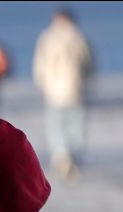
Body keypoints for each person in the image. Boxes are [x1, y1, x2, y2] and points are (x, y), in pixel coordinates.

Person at [33, 6, 94, 181]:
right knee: (77, 124)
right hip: (76, 89)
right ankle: (74, 159)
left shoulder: (47, 37)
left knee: (56, 124)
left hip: (54, 89)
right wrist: (88, 84)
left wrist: (42, 84)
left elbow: (40, 65)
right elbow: (89, 64)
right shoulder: (80, 37)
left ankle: (61, 156)